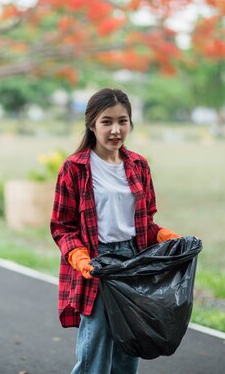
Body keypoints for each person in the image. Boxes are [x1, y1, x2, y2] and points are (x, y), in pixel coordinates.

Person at [50, 88, 180, 374]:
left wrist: (164, 237)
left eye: (122, 121)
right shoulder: (75, 168)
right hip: (96, 265)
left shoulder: (138, 166)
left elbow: (145, 221)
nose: (115, 130)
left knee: (127, 350)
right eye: (106, 121)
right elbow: (62, 226)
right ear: (91, 124)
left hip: (133, 263)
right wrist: (80, 258)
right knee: (94, 355)